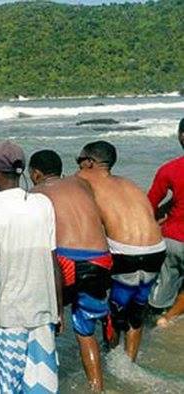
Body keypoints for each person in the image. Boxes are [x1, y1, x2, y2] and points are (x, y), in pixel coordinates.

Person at [0, 141, 62, 394]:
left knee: (8, 386)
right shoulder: (43, 204)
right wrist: (58, 309)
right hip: (43, 311)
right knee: (42, 387)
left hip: (8, 316)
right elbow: (53, 261)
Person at [29, 150, 112, 391]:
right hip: (100, 259)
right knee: (86, 329)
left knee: (45, 319)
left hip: (65, 260)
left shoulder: (34, 194)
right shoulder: (80, 183)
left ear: (35, 174)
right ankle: (97, 386)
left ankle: (40, 379)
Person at [76, 141, 166, 362]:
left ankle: (112, 360)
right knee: (136, 312)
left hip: (125, 252)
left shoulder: (84, 180)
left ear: (89, 162)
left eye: (79, 161)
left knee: (115, 311)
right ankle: (130, 362)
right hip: (157, 248)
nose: (77, 166)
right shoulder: (129, 184)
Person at [148, 118, 184, 327]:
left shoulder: (169, 169)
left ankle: (156, 317)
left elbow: (149, 204)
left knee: (163, 286)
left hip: (172, 239)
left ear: (180, 136)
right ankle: (169, 319)